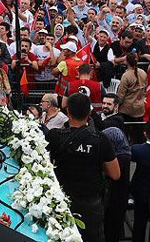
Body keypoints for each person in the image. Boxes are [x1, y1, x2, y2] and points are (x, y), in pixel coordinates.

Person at [45, 93, 119, 242]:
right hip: (90, 203)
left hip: (60, 199)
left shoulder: (54, 136)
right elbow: (115, 174)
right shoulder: (101, 139)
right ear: (90, 113)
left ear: (68, 112)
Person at [102, 126, 131, 242]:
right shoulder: (124, 152)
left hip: (115, 196)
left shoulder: (120, 157)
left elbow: (112, 174)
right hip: (119, 195)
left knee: (111, 227)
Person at [116, 52, 146, 122]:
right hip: (140, 108)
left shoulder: (126, 76)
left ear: (126, 62)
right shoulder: (143, 73)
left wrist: (116, 104)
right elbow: (145, 89)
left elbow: (121, 94)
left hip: (126, 109)